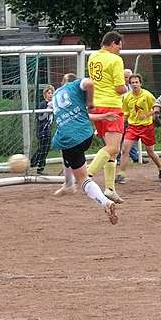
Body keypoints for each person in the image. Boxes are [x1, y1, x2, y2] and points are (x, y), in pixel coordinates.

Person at [51, 73, 119, 224]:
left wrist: (90, 103)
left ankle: (100, 200)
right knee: (67, 149)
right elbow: (88, 89)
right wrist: (100, 115)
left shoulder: (57, 94)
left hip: (70, 139)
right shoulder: (74, 88)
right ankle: (69, 185)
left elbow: (89, 83)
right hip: (86, 135)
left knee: (82, 178)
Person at [85, 31, 127, 204]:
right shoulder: (115, 60)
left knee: (112, 149)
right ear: (113, 43)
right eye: (119, 46)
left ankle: (110, 188)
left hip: (97, 106)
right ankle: (87, 174)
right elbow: (118, 87)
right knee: (112, 148)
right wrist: (125, 88)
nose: (120, 51)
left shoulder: (93, 57)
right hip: (111, 106)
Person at [116, 73, 161, 183]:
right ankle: (121, 174)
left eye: (136, 82)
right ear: (129, 84)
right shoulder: (127, 97)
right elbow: (126, 113)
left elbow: (157, 108)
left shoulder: (147, 95)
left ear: (140, 84)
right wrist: (120, 124)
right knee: (125, 149)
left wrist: (148, 115)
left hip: (146, 127)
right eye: (132, 83)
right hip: (133, 127)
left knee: (150, 152)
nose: (134, 85)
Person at [30, 84, 55, 174]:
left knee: (45, 148)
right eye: (49, 93)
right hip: (42, 130)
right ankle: (36, 165)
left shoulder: (53, 105)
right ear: (45, 94)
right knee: (43, 149)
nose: (50, 95)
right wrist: (48, 108)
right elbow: (40, 118)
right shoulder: (42, 104)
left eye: (52, 93)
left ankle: (34, 164)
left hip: (48, 130)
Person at [119, 68, 140, 165]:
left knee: (132, 136)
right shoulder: (119, 87)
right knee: (120, 137)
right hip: (121, 115)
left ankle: (135, 156)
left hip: (132, 115)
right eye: (125, 77)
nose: (127, 79)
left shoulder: (133, 87)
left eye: (128, 77)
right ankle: (118, 157)